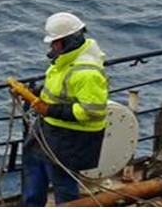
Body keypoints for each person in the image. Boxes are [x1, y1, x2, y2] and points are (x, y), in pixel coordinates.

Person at [15, 12, 108, 206]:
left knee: (63, 185)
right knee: (34, 170)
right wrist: (33, 93)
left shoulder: (87, 72)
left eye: (55, 42)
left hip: (71, 138)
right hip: (48, 130)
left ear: (69, 41)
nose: (52, 46)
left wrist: (49, 110)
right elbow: (58, 91)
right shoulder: (64, 61)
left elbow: (92, 111)